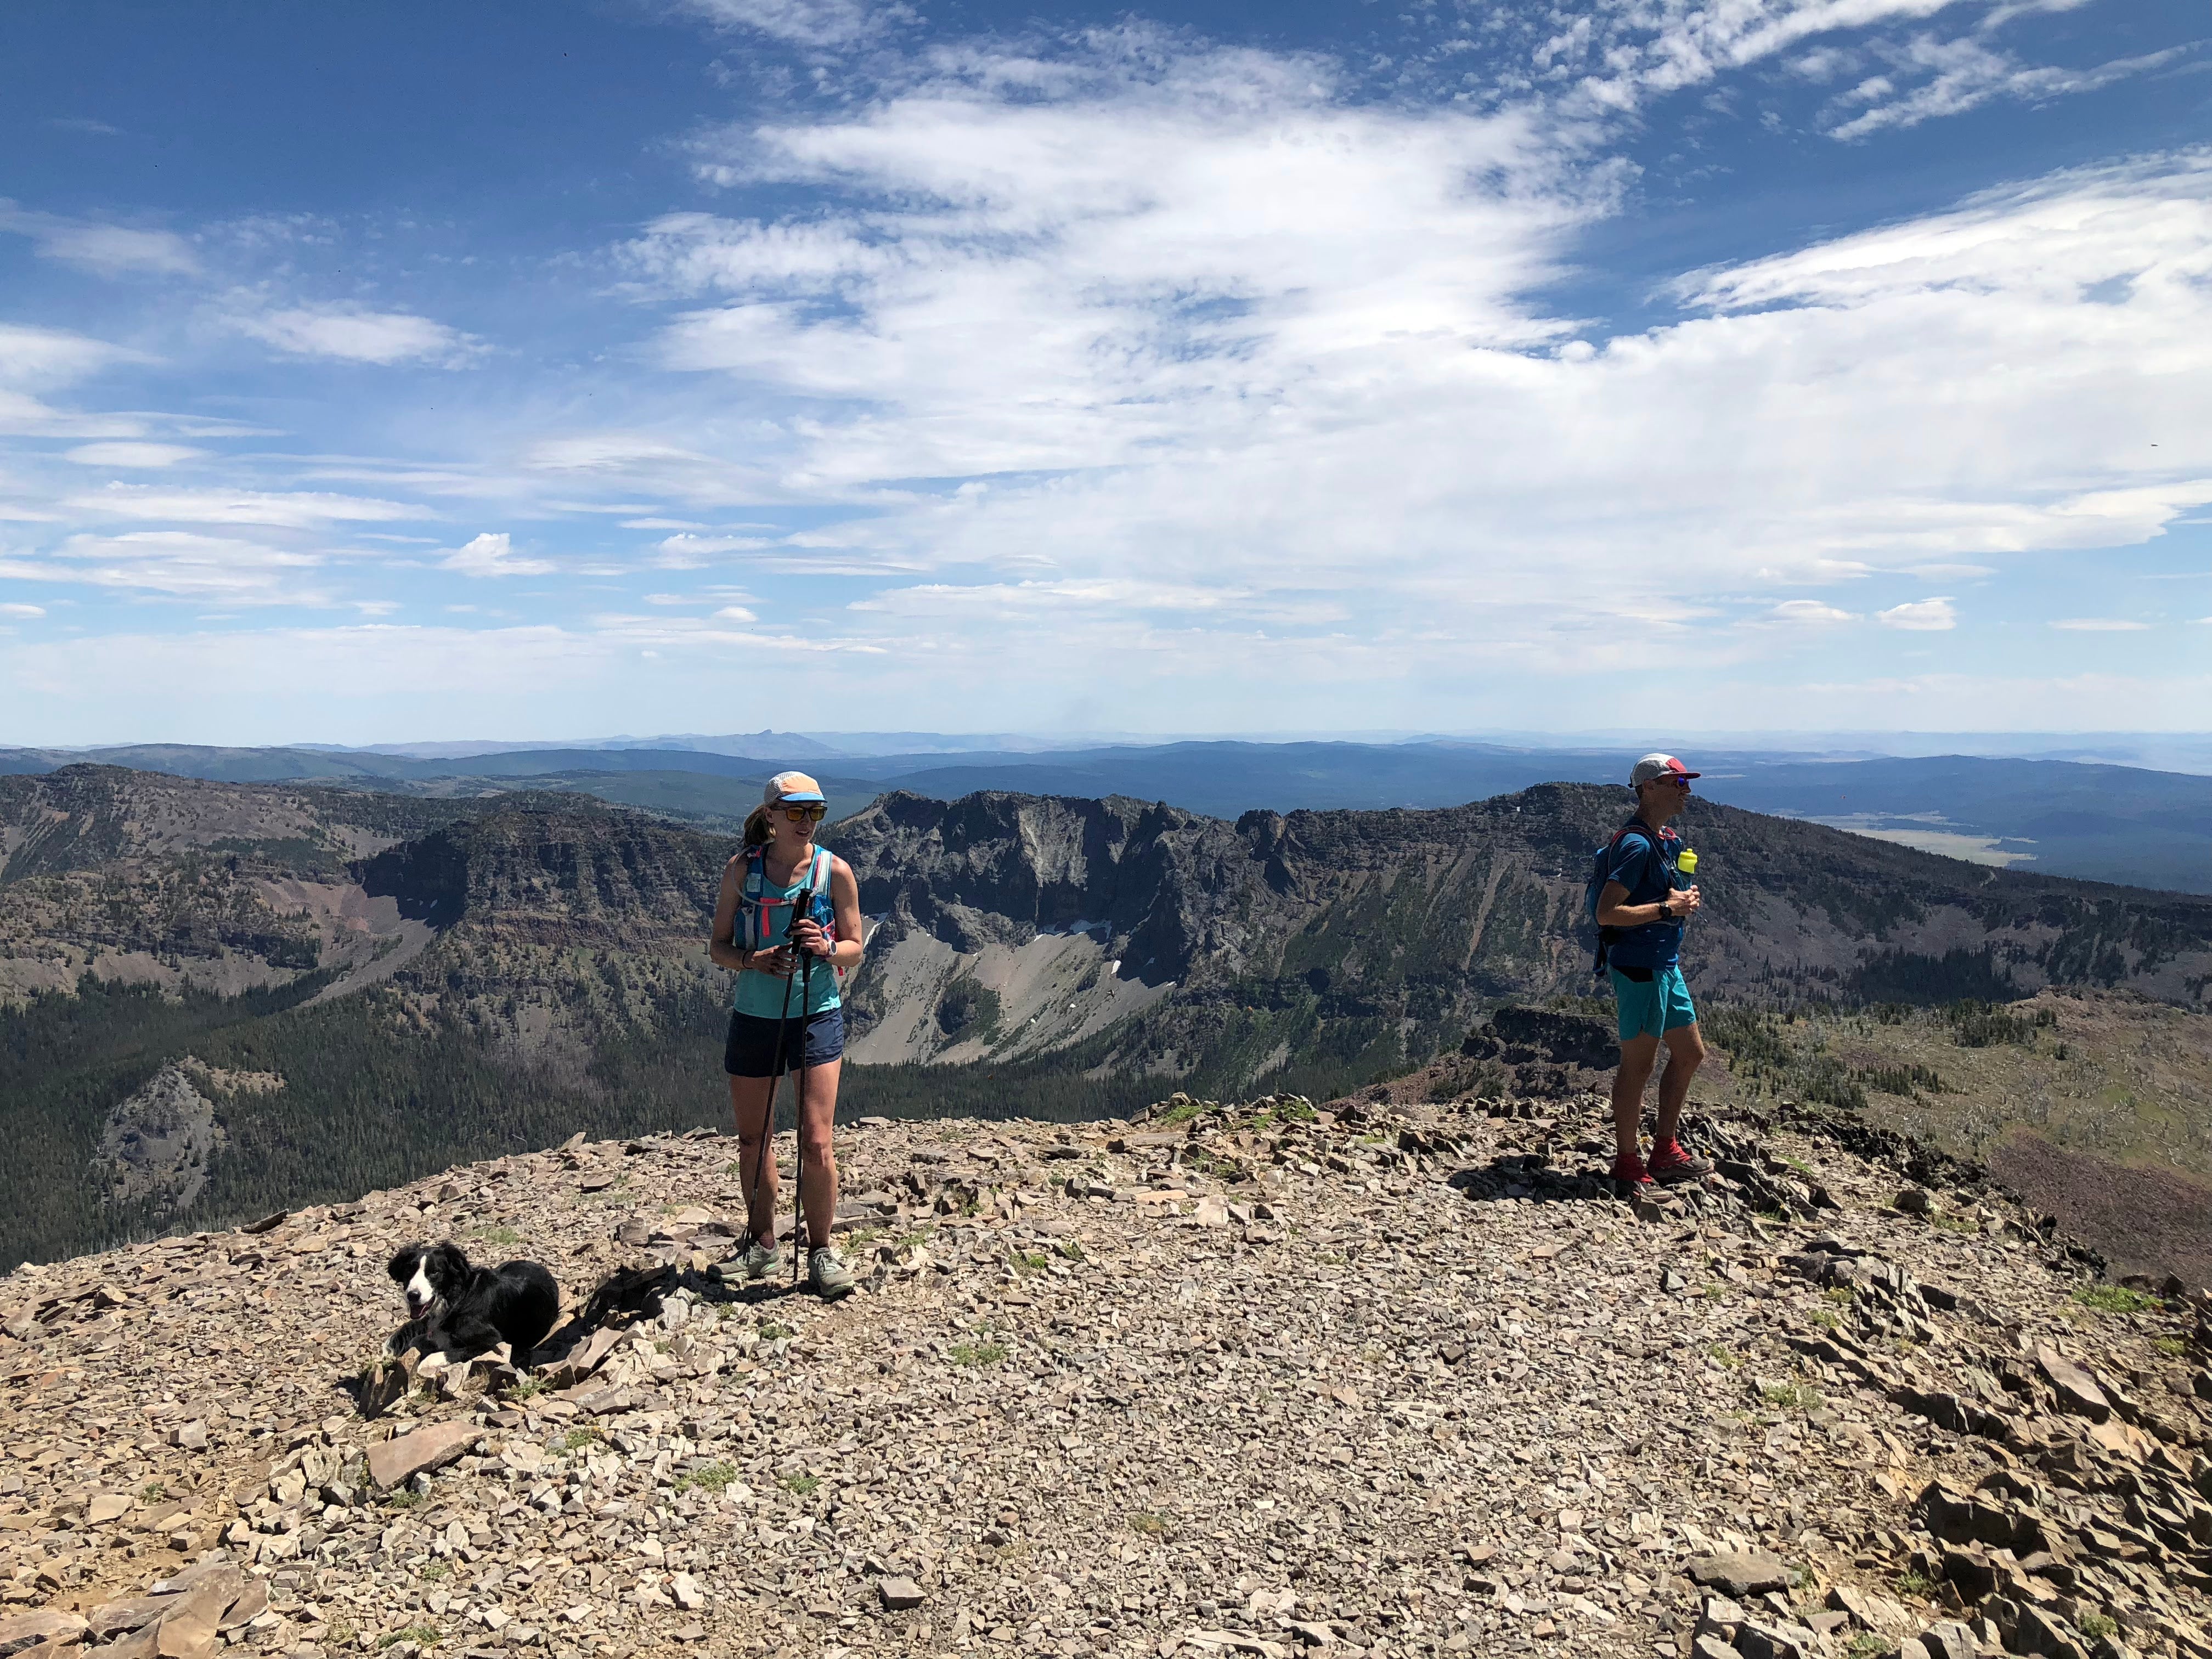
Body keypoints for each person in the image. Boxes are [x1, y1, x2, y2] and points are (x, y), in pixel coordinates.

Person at [708, 771, 867, 1297]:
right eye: (796, 812)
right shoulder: (741, 871)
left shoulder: (834, 872)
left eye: (815, 812)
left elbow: (855, 947)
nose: (806, 822)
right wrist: (755, 960)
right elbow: (718, 947)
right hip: (756, 1015)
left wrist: (823, 948)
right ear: (771, 815)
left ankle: (820, 1250)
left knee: (816, 1140)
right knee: (754, 1139)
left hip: (816, 1011)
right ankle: (763, 1244)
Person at [1595, 754, 1717, 1192]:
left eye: (1686, 783)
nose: (1686, 790)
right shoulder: (1637, 845)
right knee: (1639, 1065)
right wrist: (1668, 908)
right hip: (1641, 968)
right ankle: (1628, 1161)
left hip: (1666, 963)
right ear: (1648, 787)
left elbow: (1663, 899)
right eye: (1676, 782)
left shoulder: (1665, 839)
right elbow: (1607, 913)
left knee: (1690, 1054)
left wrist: (1682, 900)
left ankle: (1664, 1149)